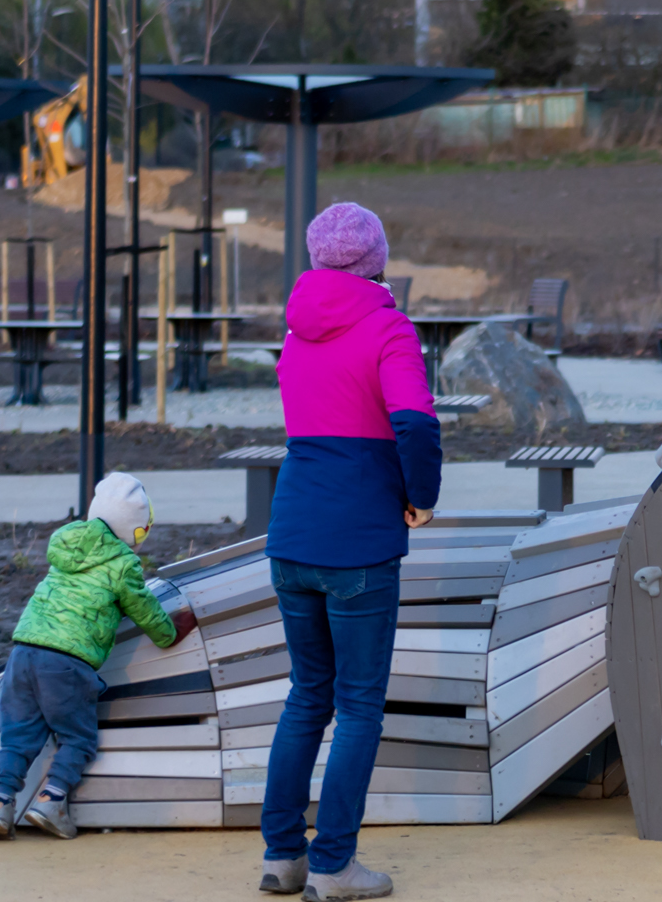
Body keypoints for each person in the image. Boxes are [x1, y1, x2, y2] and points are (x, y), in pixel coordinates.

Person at [257, 201, 440, 901]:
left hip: (293, 532)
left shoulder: (296, 332)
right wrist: (421, 496)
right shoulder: (387, 326)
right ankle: (334, 866)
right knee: (359, 705)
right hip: (359, 542)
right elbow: (416, 425)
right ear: (377, 260)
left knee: (307, 697)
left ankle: (283, 858)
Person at [0, 470, 182, 842]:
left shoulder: (67, 550)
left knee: (18, 739)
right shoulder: (123, 564)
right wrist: (169, 634)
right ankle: (51, 800)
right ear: (133, 530)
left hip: (23, 652)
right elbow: (144, 609)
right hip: (67, 662)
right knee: (78, 738)